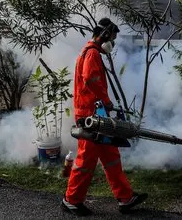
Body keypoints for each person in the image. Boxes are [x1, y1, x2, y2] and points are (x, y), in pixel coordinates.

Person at [62, 18, 148, 216]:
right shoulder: (92, 53)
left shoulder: (91, 52)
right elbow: (90, 79)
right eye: (113, 37)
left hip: (96, 113)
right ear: (105, 35)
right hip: (90, 115)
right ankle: (71, 200)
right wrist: (106, 100)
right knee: (86, 160)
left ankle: (125, 198)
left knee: (111, 157)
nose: (114, 42)